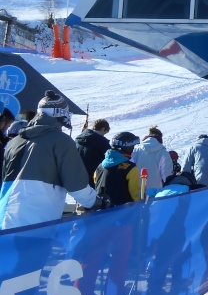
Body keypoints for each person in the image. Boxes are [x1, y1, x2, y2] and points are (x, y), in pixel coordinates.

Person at [0, 90, 102, 229]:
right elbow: (76, 185)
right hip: (35, 223)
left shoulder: (14, 142)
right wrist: (96, 202)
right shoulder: (61, 141)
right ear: (62, 113)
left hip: (4, 220)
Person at [95, 131, 141, 205]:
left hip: (102, 211)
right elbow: (136, 195)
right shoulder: (130, 168)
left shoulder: (100, 166)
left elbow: (96, 183)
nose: (132, 151)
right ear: (126, 149)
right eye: (131, 148)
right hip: (123, 212)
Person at [131, 125, 171, 191]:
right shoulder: (163, 152)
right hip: (156, 191)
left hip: (137, 191)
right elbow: (167, 176)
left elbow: (131, 166)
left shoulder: (136, 149)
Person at [75, 118, 111, 188]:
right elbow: (110, 159)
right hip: (94, 178)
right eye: (105, 132)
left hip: (78, 177)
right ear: (103, 128)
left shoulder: (79, 138)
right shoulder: (102, 142)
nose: (104, 135)